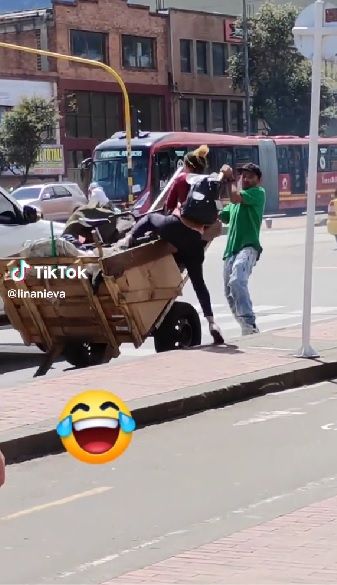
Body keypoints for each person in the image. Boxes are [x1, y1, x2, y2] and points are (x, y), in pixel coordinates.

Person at [121, 147, 224, 345]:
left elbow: (169, 207)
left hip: (177, 226)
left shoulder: (182, 179)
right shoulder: (209, 184)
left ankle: (127, 240)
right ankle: (212, 323)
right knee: (198, 283)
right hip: (195, 239)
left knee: (150, 218)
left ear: (186, 165)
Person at [219, 162, 266, 335]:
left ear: (258, 180)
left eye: (250, 176)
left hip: (248, 247)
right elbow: (220, 215)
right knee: (229, 293)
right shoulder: (234, 203)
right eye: (243, 176)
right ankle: (246, 328)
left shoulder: (258, 193)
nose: (245, 179)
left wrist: (230, 179)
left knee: (237, 281)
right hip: (230, 251)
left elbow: (235, 197)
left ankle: (249, 324)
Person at [164, 145, 209, 213]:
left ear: (189, 167)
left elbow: (170, 205)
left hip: (186, 219)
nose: (183, 168)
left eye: (184, 165)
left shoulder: (182, 178)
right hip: (206, 219)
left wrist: (178, 206)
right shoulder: (209, 180)